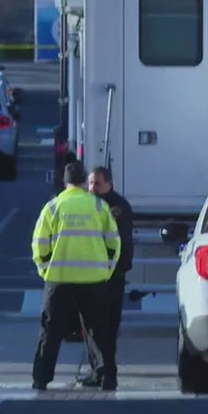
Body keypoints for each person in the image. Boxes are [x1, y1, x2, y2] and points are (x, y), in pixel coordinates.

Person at [30, 162, 122, 391]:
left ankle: (41, 378)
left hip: (59, 279)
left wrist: (45, 270)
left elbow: (39, 243)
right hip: (94, 280)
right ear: (83, 182)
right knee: (98, 330)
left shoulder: (53, 207)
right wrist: (106, 270)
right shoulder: (99, 207)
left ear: (65, 182)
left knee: (50, 331)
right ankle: (106, 376)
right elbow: (114, 243)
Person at [78, 166, 134, 388]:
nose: (92, 188)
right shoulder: (90, 205)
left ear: (109, 184)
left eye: (97, 183)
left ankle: (108, 372)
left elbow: (121, 244)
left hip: (110, 276)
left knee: (107, 326)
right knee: (91, 326)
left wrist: (117, 270)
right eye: (90, 183)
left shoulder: (117, 207)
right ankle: (98, 370)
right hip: (91, 276)